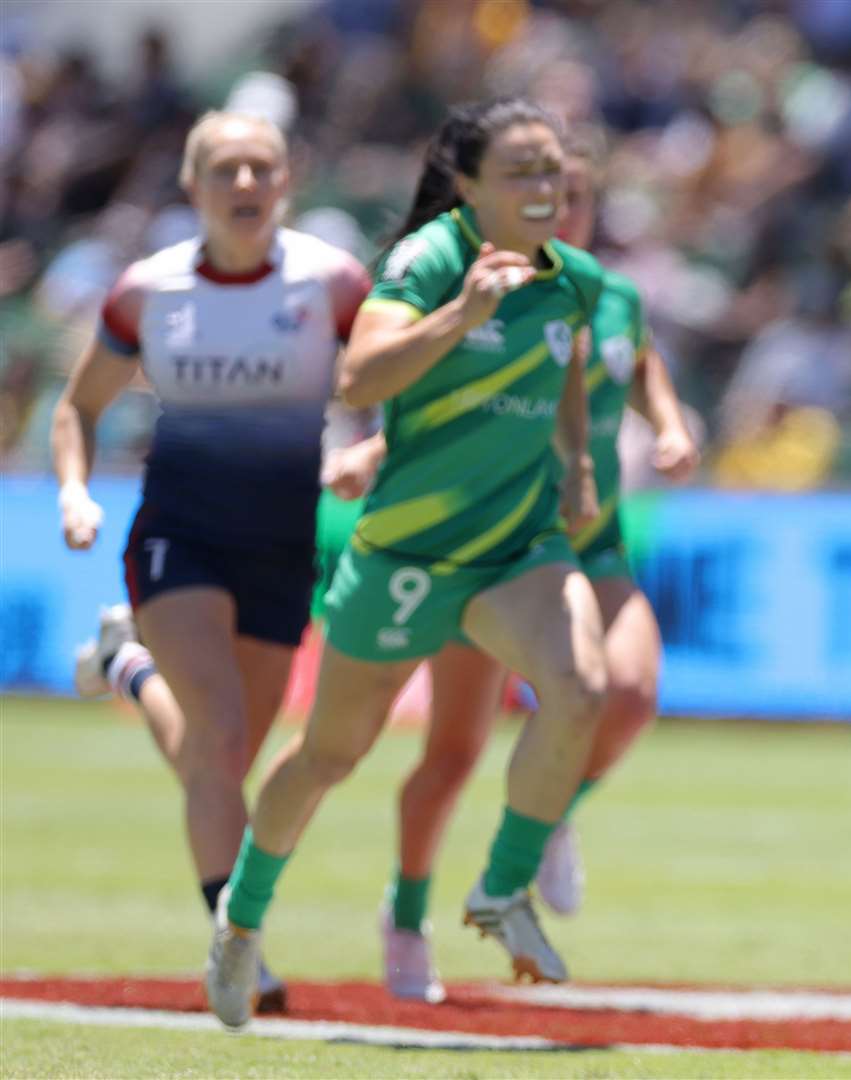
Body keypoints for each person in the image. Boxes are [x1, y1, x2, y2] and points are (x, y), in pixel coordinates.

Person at [202, 96, 610, 1031]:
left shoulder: (574, 278)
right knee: (328, 756)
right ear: (466, 185)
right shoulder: (428, 263)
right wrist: (462, 315)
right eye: (522, 173)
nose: (545, 190)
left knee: (580, 689)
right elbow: (360, 378)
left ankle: (502, 888)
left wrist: (578, 461)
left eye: (554, 171)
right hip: (409, 554)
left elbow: (567, 370)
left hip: (515, 548)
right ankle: (241, 920)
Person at [316, 125, 699, 1000]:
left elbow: (641, 367)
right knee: (451, 753)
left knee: (628, 694)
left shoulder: (602, 291)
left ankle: (547, 819)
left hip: (584, 540)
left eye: (572, 192)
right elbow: (456, 411)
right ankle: (406, 912)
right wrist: (371, 456)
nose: (556, 205)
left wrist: (670, 425)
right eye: (540, 186)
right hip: (490, 539)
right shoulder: (481, 278)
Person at [55, 111, 372, 1015]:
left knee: (221, 759)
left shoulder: (334, 281)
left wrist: (372, 450)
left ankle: (125, 664)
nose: (244, 185)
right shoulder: (147, 290)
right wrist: (76, 491)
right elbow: (78, 407)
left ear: (287, 182)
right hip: (179, 535)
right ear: (192, 186)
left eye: (261, 169)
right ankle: (238, 947)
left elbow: (394, 382)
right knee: (223, 737)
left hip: (282, 541)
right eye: (225, 170)